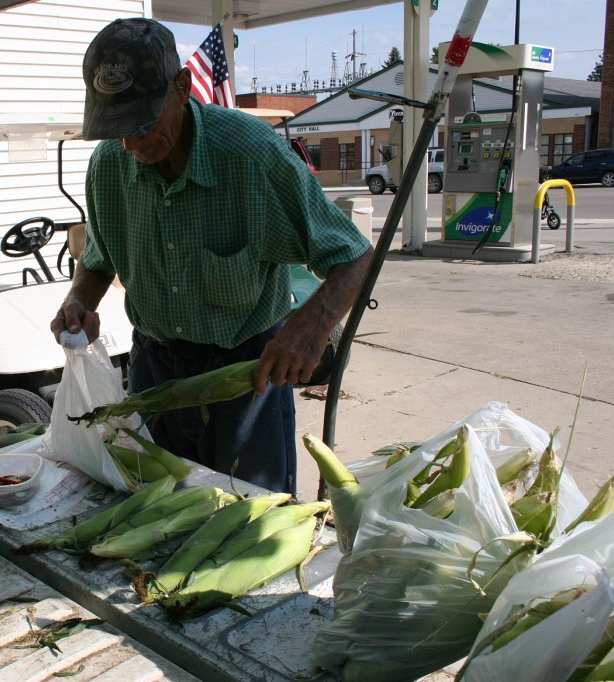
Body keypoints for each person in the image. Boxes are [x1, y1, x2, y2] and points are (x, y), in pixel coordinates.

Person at [50, 17, 372, 496]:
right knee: (160, 513)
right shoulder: (109, 167)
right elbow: (98, 260)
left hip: (247, 378)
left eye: (142, 123)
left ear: (183, 87)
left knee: (247, 521)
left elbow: (355, 257)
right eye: (117, 128)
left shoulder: (251, 156)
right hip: (153, 372)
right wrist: (80, 300)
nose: (131, 144)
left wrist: (309, 327)